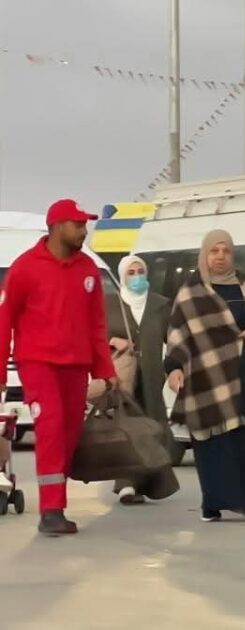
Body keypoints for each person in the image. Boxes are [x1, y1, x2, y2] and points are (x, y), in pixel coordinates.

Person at [0, 199, 116, 535]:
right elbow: (4, 320)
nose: (84, 230)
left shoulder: (88, 270)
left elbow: (97, 325)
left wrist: (104, 370)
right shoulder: (25, 267)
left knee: (68, 434)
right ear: (57, 226)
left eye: (85, 224)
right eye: (78, 224)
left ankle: (56, 503)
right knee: (49, 426)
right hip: (38, 363)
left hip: (76, 365)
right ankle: (51, 509)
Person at [165, 230, 245, 523]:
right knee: (213, 439)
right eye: (214, 251)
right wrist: (174, 368)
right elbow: (178, 334)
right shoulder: (191, 292)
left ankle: (243, 498)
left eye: (225, 251)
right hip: (206, 375)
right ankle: (214, 503)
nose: (220, 256)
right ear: (204, 255)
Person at [108, 254, 179, 505]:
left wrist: (175, 368)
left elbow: (174, 339)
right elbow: (92, 335)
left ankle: (152, 482)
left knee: (152, 427)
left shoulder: (160, 305)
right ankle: (126, 483)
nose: (137, 277)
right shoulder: (112, 304)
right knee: (126, 428)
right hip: (123, 378)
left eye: (140, 272)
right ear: (123, 276)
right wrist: (112, 342)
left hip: (151, 376)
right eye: (131, 272)